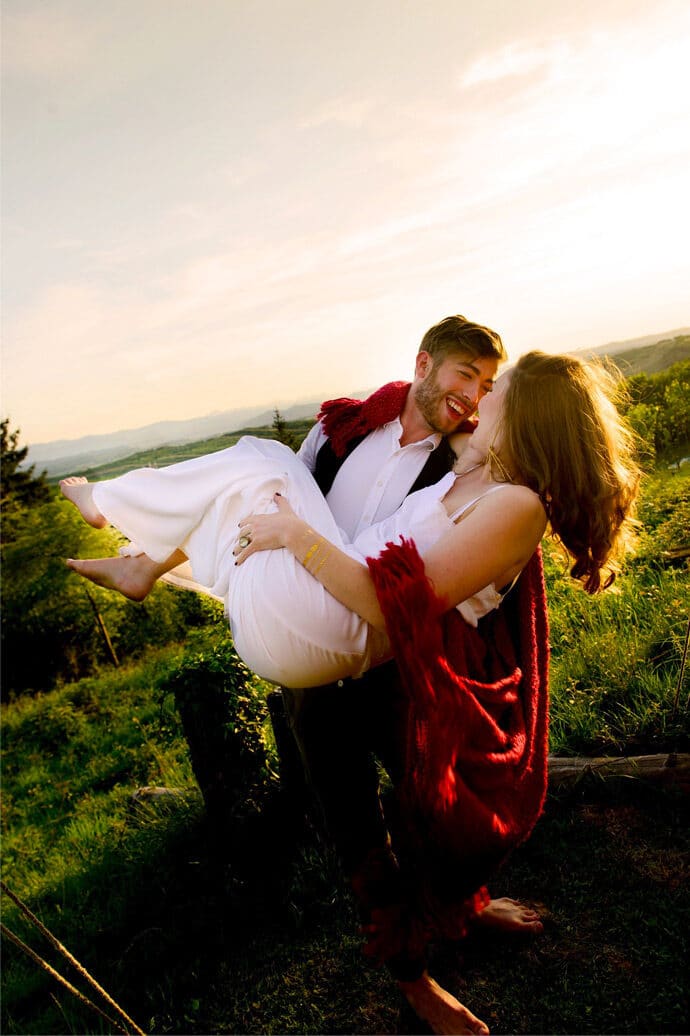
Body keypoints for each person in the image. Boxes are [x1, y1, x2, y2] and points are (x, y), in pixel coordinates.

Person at [61, 349, 640, 1035]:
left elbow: (400, 596)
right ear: (423, 367)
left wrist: (297, 536)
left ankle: (114, 520)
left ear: (528, 421)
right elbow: (369, 479)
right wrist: (301, 527)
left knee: (434, 805)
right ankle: (413, 976)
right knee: (353, 821)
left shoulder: (508, 499)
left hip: (371, 645)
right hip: (320, 642)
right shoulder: (357, 439)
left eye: (496, 394)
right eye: (469, 382)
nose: (479, 402)